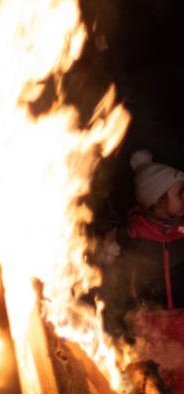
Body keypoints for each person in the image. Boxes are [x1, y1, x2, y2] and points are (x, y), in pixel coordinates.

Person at [101, 150, 184, 392]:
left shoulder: (181, 230)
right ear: (157, 199)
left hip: (180, 317)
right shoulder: (133, 235)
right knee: (159, 377)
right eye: (180, 194)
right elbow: (115, 275)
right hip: (150, 322)